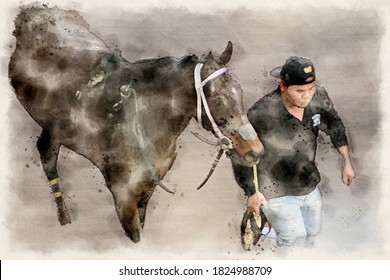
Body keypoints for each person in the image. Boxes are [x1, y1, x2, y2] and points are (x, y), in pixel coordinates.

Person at [233, 56, 356, 247]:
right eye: (299, 91)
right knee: (290, 238)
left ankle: (266, 228)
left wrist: (346, 161)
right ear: (283, 86)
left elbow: (334, 125)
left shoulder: (318, 97)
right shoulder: (262, 112)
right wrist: (252, 192)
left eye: (310, 89)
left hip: (309, 184)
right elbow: (240, 154)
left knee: (313, 233)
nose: (307, 95)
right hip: (276, 189)